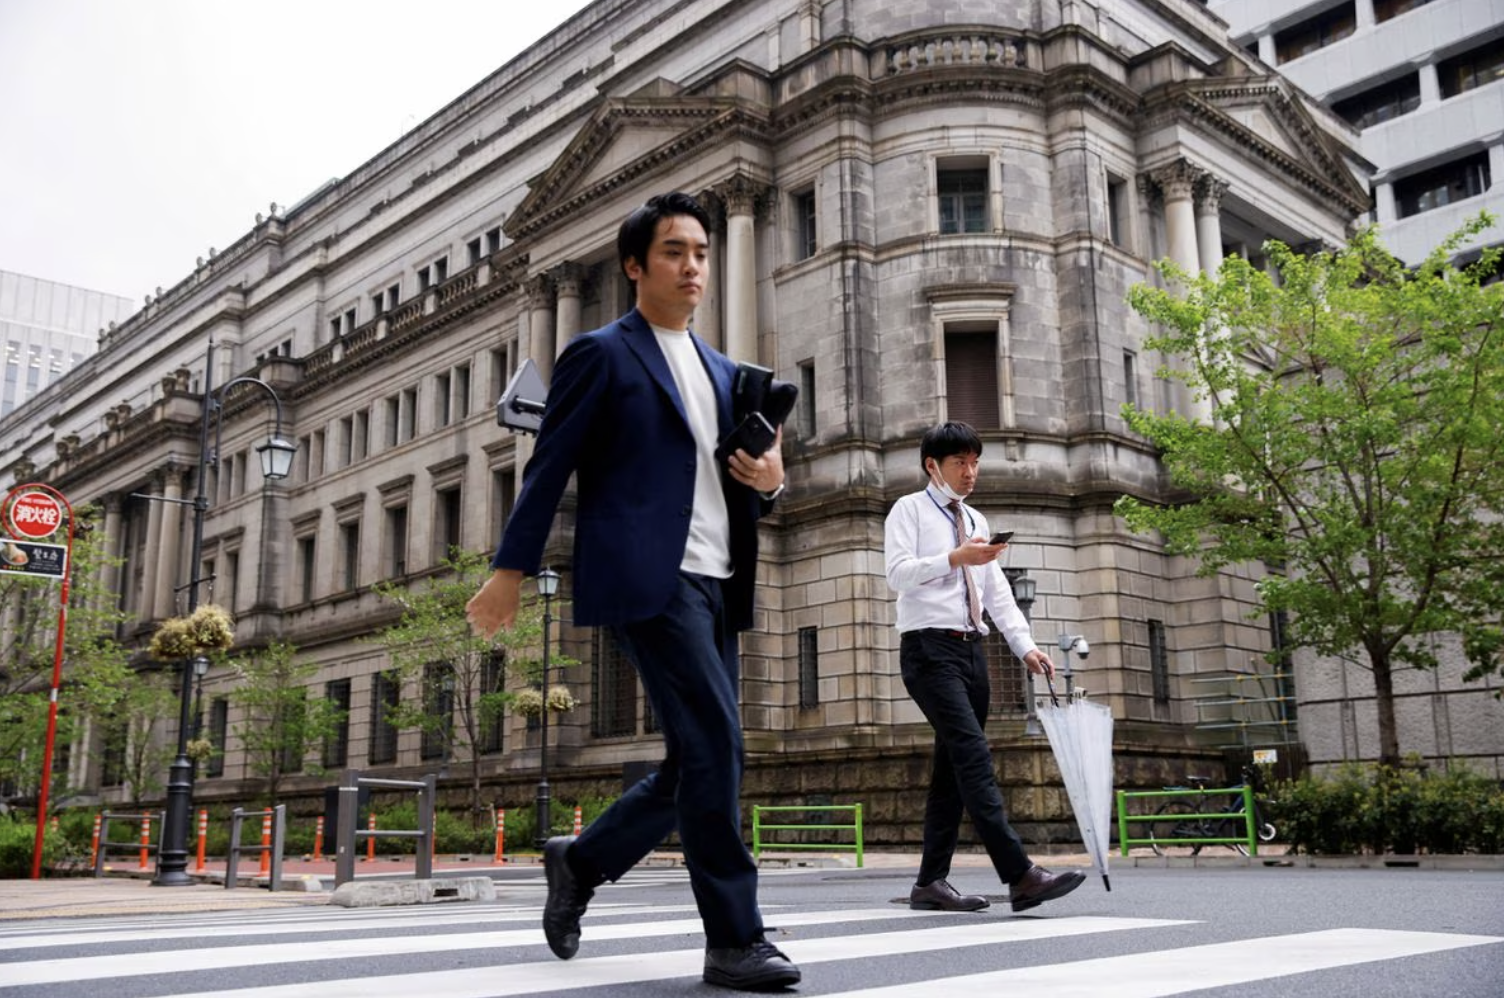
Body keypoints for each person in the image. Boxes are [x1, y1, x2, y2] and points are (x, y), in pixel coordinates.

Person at [466, 192, 799, 991]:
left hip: (721, 577)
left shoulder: (726, 371)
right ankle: (735, 939)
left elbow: (740, 485)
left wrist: (773, 480)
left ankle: (581, 862)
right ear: (634, 265)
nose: (692, 267)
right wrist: (510, 572)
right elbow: (549, 464)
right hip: (650, 577)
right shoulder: (601, 354)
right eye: (674, 252)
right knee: (719, 744)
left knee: (698, 760)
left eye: (701, 253)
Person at [883, 421, 1086, 913]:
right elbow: (898, 575)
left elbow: (996, 592)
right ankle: (1020, 874)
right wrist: (955, 557)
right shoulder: (908, 510)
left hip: (973, 653)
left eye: (975, 462)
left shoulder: (974, 518)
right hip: (929, 650)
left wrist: (1025, 647)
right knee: (973, 756)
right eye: (960, 463)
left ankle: (929, 883)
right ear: (933, 466)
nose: (970, 472)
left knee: (951, 772)